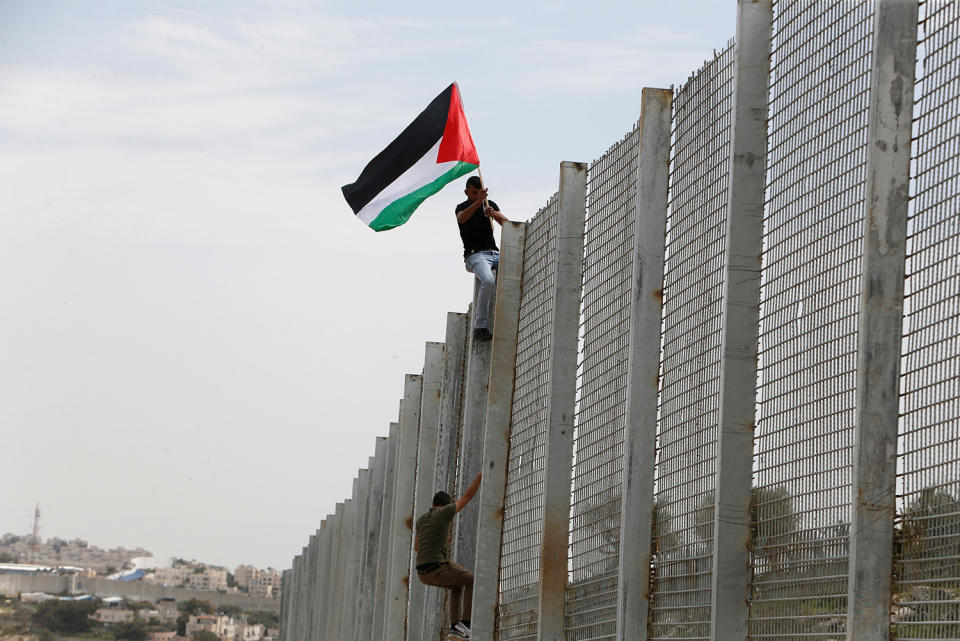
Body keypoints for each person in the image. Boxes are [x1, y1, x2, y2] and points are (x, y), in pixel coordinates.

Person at [414, 471, 482, 639]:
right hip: (438, 568)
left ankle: (454, 627)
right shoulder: (444, 512)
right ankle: (465, 624)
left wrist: (441, 541)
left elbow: (417, 547)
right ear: (445, 506)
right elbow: (466, 498)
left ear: (433, 503)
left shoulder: (422, 520)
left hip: (423, 574)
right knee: (473, 580)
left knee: (456, 584)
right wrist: (480, 476)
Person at [456, 176, 508, 342]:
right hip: (475, 255)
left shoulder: (489, 204)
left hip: (494, 253)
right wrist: (478, 202)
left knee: (515, 268)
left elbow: (508, 225)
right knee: (488, 280)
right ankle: (480, 326)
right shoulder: (462, 207)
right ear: (466, 192)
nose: (477, 195)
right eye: (473, 193)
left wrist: (493, 214)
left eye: (479, 193)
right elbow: (462, 218)